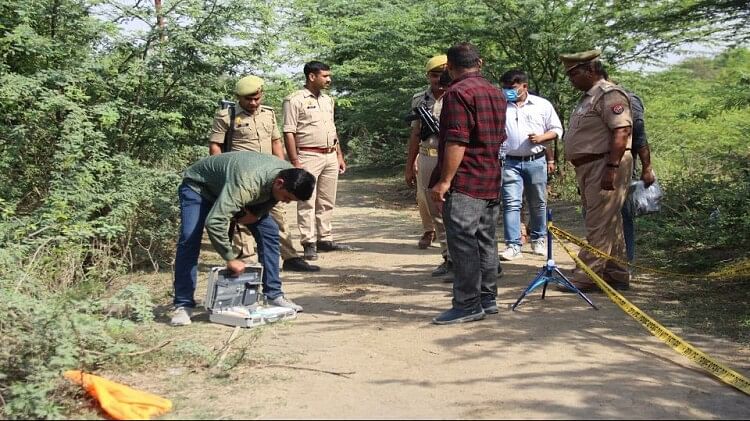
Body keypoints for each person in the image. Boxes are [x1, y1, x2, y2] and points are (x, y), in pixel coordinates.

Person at [172, 152, 315, 326]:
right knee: (189, 238)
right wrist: (230, 258)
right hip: (199, 188)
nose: (286, 202)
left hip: (229, 188)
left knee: (270, 229)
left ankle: (274, 295)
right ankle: (183, 304)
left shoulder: (286, 174)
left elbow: (271, 197)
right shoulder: (247, 184)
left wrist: (257, 214)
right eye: (287, 198)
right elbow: (215, 221)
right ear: (279, 183)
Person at [209, 75, 320, 273]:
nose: (253, 103)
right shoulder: (227, 116)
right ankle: (248, 259)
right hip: (243, 179)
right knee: (243, 218)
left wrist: (285, 169)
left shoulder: (268, 114)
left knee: (279, 218)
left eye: (257, 98)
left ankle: (290, 257)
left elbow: (276, 142)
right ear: (238, 97)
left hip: (271, 176)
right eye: (248, 99)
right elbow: (215, 146)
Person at [430, 43, 507, 324]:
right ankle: (488, 299)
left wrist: (445, 181)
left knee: (462, 241)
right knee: (486, 240)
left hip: (467, 179)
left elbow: (457, 140)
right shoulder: (496, 92)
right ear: (480, 62)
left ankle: (467, 304)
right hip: (491, 175)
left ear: (450, 66)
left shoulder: (457, 93)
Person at [559, 49, 633, 291]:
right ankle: (616, 272)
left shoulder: (609, 94)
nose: (570, 80)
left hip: (605, 163)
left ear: (590, 70)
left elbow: (621, 131)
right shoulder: (588, 97)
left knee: (597, 222)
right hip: (590, 166)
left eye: (573, 74)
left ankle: (586, 276)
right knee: (609, 220)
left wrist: (611, 168)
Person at [282, 61, 352, 261]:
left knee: (327, 200)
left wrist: (339, 155)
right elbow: (288, 132)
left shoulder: (328, 100)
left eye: (329, 76)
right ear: (312, 76)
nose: (329, 79)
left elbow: (332, 128)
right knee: (306, 200)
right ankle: (308, 242)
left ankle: (325, 238)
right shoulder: (294, 100)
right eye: (325, 76)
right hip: (307, 155)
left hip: (329, 154)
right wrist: (295, 161)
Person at [497, 69, 562, 261]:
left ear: (524, 86)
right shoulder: (500, 106)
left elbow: (557, 129)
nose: (508, 91)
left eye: (512, 88)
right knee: (511, 203)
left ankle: (538, 239)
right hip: (509, 162)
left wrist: (542, 138)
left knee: (538, 203)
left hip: (536, 161)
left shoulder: (542, 105)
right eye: (505, 88)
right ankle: (513, 245)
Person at [405, 55, 452, 276]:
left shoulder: (457, 95)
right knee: (435, 209)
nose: (438, 80)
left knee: (457, 209)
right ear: (428, 76)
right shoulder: (419, 99)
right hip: (427, 157)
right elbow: (415, 134)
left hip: (452, 157)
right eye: (434, 75)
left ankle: (464, 258)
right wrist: (409, 165)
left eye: (443, 74)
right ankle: (448, 257)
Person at [621, 91, 655, 263]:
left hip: (620, 170)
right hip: (592, 172)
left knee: (622, 216)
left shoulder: (628, 100)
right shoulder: (591, 99)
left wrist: (647, 168)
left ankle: (625, 263)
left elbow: (640, 138)